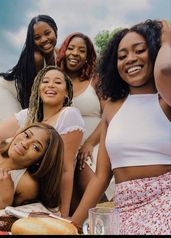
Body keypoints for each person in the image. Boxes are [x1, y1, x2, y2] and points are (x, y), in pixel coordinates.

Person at [71, 19, 171, 235]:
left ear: (155, 52)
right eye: (122, 56)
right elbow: (101, 177)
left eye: (140, 50)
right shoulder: (112, 107)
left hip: (166, 199)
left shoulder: (166, 100)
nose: (130, 59)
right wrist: (72, 225)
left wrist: (166, 39)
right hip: (124, 206)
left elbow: (165, 69)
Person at [0, 65, 85, 218]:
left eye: (58, 82)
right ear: (38, 88)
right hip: (14, 185)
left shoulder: (68, 115)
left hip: (34, 190)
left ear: (67, 92)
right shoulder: (28, 115)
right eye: (45, 81)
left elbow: (66, 169)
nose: (50, 85)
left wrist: (63, 214)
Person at [57, 32, 113, 212]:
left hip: (95, 142)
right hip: (65, 148)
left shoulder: (95, 80)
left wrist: (89, 143)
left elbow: (108, 114)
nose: (75, 53)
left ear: (88, 57)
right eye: (71, 48)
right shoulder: (55, 81)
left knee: (90, 178)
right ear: (64, 51)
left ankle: (108, 220)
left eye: (82, 50)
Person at [0, 14, 58, 123]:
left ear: (55, 30)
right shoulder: (37, 58)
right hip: (4, 89)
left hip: (24, 94)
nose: (44, 39)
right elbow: (35, 95)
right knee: (15, 134)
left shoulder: (58, 53)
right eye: (37, 37)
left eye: (47, 33)